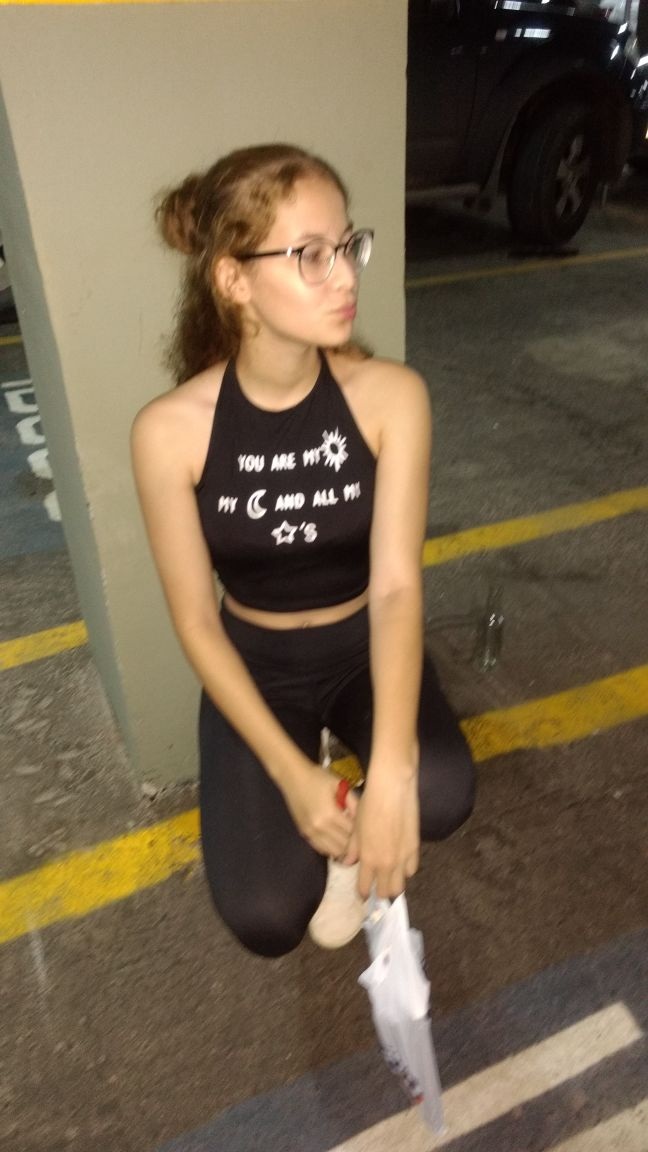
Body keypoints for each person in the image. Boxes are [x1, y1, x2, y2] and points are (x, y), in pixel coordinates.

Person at [131, 143, 475, 959]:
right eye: (311, 256)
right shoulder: (169, 432)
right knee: (266, 916)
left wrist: (390, 773)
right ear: (233, 280)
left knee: (439, 794)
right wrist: (293, 778)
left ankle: (355, 790)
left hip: (363, 645)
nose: (346, 275)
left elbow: (396, 589)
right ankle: (313, 773)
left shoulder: (391, 397)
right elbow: (196, 621)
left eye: (348, 246)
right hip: (255, 662)